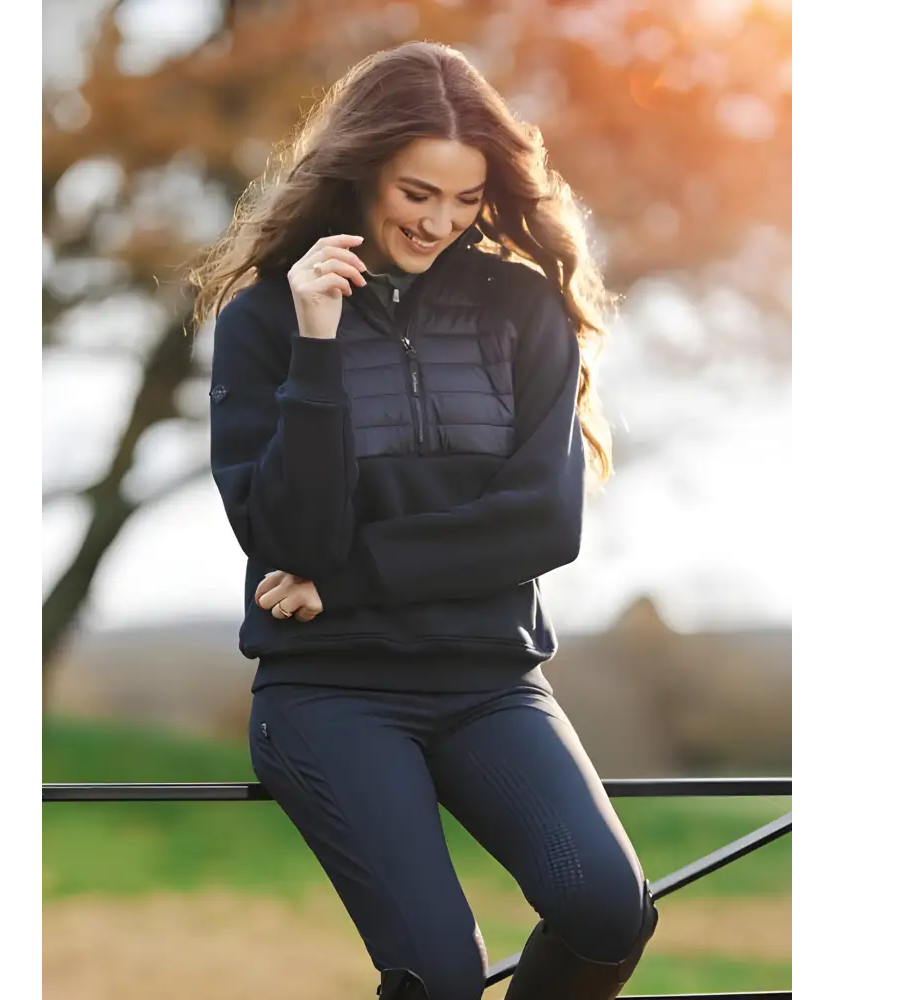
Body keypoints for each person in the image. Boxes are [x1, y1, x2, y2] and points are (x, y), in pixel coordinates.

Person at [188, 40, 658, 1000]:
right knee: (442, 976)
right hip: (329, 695)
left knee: (611, 908)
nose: (441, 221)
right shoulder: (267, 322)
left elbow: (540, 523)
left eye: (465, 198)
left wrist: (347, 580)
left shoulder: (524, 311)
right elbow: (287, 538)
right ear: (362, 170)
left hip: (491, 683)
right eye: (417, 194)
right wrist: (316, 347)